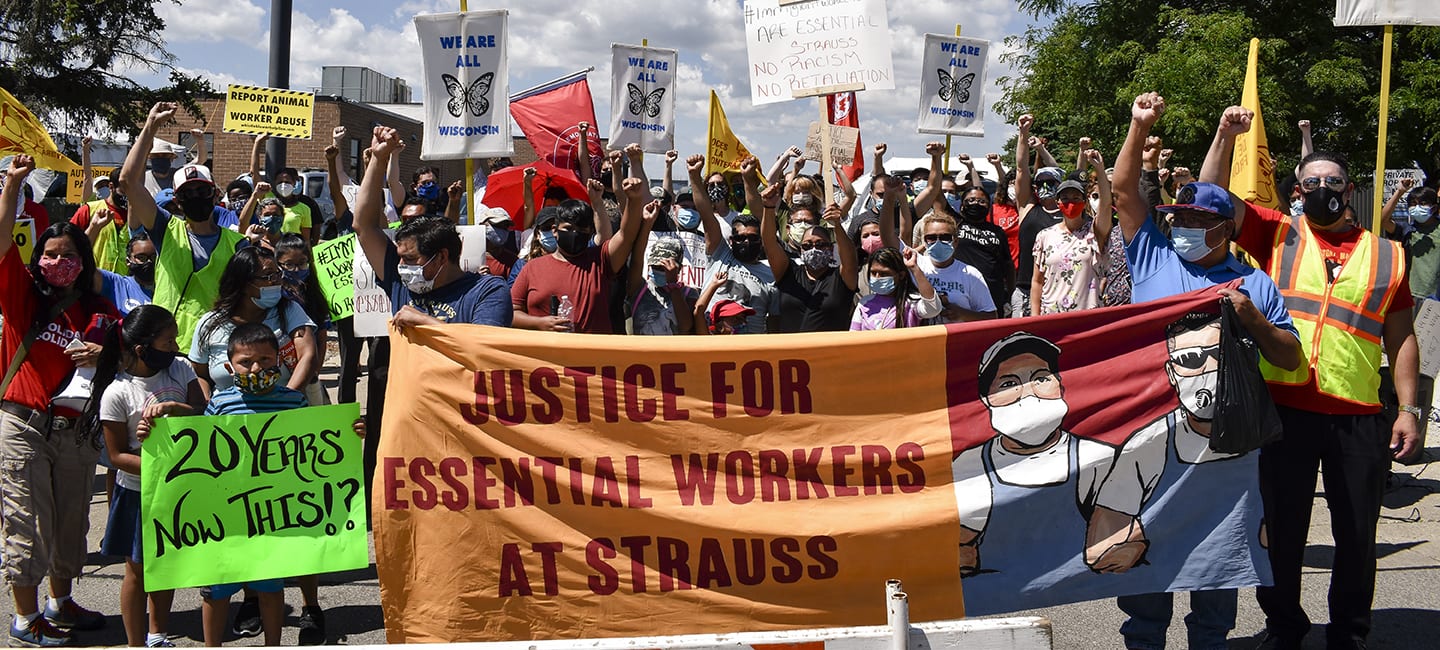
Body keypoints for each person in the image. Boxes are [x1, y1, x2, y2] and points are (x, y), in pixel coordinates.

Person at [1198, 102, 1420, 650]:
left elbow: (1403, 337)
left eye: (1334, 181)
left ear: (1350, 189)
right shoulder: (1277, 236)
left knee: (1356, 534)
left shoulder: (1390, 256)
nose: (1324, 187)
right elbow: (1210, 198)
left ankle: (1349, 631)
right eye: (1313, 180)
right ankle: (1285, 625)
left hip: (1358, 414)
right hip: (1284, 409)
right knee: (1282, 531)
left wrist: (1410, 409)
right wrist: (1226, 135)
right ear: (1298, 190)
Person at [1106, 92, 1304, 650]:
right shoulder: (1153, 256)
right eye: (1180, 218)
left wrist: (1256, 323)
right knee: (1145, 564)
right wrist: (1137, 124)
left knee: (1215, 567)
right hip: (1153, 437)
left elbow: (1290, 356)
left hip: (1227, 448)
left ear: (1225, 229)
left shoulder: (1254, 283)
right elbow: (1123, 192)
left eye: (1197, 220)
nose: (1184, 227)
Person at [0, 154, 118, 647]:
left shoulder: (100, 308)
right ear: (36, 259)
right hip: (24, 425)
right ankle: (27, 620)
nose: (58, 262)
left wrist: (104, 348)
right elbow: (2, 236)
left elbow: (132, 351)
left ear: (84, 262)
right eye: (49, 255)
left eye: (69, 255)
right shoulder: (21, 296)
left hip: (76, 432)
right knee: (26, 522)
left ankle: (60, 603)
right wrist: (12, 186)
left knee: (71, 524)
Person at [950, 332, 1124, 616]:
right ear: (986, 399)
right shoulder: (971, 465)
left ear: (1060, 385)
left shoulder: (1095, 458)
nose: (1029, 391)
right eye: (1009, 384)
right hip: (999, 611)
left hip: (1079, 608)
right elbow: (958, 546)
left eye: (1041, 378)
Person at [90, 305, 201, 648]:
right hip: (139, 494)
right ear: (142, 349)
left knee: (165, 564)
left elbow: (202, 415)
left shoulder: (180, 369)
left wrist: (172, 409)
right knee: (137, 571)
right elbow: (116, 455)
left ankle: (158, 633)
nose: (175, 347)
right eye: (169, 341)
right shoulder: (118, 392)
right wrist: (160, 467)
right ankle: (135, 642)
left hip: (179, 490)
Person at [198, 324, 303, 648]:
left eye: (265, 359)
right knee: (217, 588)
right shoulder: (220, 404)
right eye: (246, 362)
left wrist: (348, 432)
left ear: (279, 361)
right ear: (230, 367)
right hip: (226, 513)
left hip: (272, 512)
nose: (257, 368)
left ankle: (273, 643)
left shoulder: (294, 401)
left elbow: (311, 449)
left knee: (270, 586)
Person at [122, 103, 247, 354]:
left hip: (216, 349)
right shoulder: (165, 229)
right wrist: (150, 126)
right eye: (187, 193)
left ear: (215, 195)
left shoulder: (238, 244)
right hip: (165, 345)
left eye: (202, 191)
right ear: (177, 202)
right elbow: (128, 181)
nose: (196, 196)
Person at [187, 246, 318, 399]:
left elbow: (308, 355)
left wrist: (287, 399)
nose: (276, 282)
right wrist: (210, 408)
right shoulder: (209, 324)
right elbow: (199, 375)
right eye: (268, 276)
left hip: (285, 413)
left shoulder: (289, 310)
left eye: (278, 274)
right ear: (243, 283)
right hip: (228, 418)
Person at [762, 181, 859, 332]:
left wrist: (837, 225)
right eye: (807, 246)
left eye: (820, 244)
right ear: (800, 250)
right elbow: (769, 243)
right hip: (792, 353)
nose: (814, 249)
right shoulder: (789, 274)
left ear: (830, 247)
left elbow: (850, 259)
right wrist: (768, 207)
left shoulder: (841, 278)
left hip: (831, 352)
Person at [1031, 163, 1113, 315]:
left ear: (1084, 202)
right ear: (1058, 202)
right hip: (1051, 316)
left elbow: (1106, 204)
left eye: (1076, 198)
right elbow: (1037, 281)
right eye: (1065, 198)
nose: (1071, 203)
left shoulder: (1095, 232)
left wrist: (1100, 170)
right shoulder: (1044, 236)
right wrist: (1034, 318)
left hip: (1088, 316)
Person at [1012, 116, 1067, 317]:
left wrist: (1042, 150)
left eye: (1050, 183)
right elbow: (1021, 169)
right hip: (1026, 289)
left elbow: (1066, 173)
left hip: (1058, 288)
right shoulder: (1027, 207)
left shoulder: (1068, 213)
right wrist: (1023, 133)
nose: (1045, 187)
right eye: (1040, 183)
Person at [626, 203, 696, 336]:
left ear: (678, 268)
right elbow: (636, 258)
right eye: (656, 266)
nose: (659, 270)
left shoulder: (689, 294)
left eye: (664, 268)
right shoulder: (640, 288)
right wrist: (647, 224)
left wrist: (673, 285)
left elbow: (686, 326)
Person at [850, 247, 941, 330]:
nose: (877, 277)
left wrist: (914, 267)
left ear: (901, 275)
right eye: (873, 273)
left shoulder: (911, 303)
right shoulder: (864, 303)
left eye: (884, 274)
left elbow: (933, 308)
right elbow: (853, 337)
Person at [70, 166, 131, 275]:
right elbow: (70, 242)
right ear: (111, 187)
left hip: (125, 283)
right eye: (123, 191)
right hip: (94, 280)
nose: (128, 195)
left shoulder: (137, 215)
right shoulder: (88, 210)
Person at [96, 231, 156, 315]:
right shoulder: (116, 284)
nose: (149, 262)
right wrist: (94, 227)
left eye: (154, 257)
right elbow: (85, 268)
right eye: (141, 258)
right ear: (128, 261)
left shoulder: (168, 289)